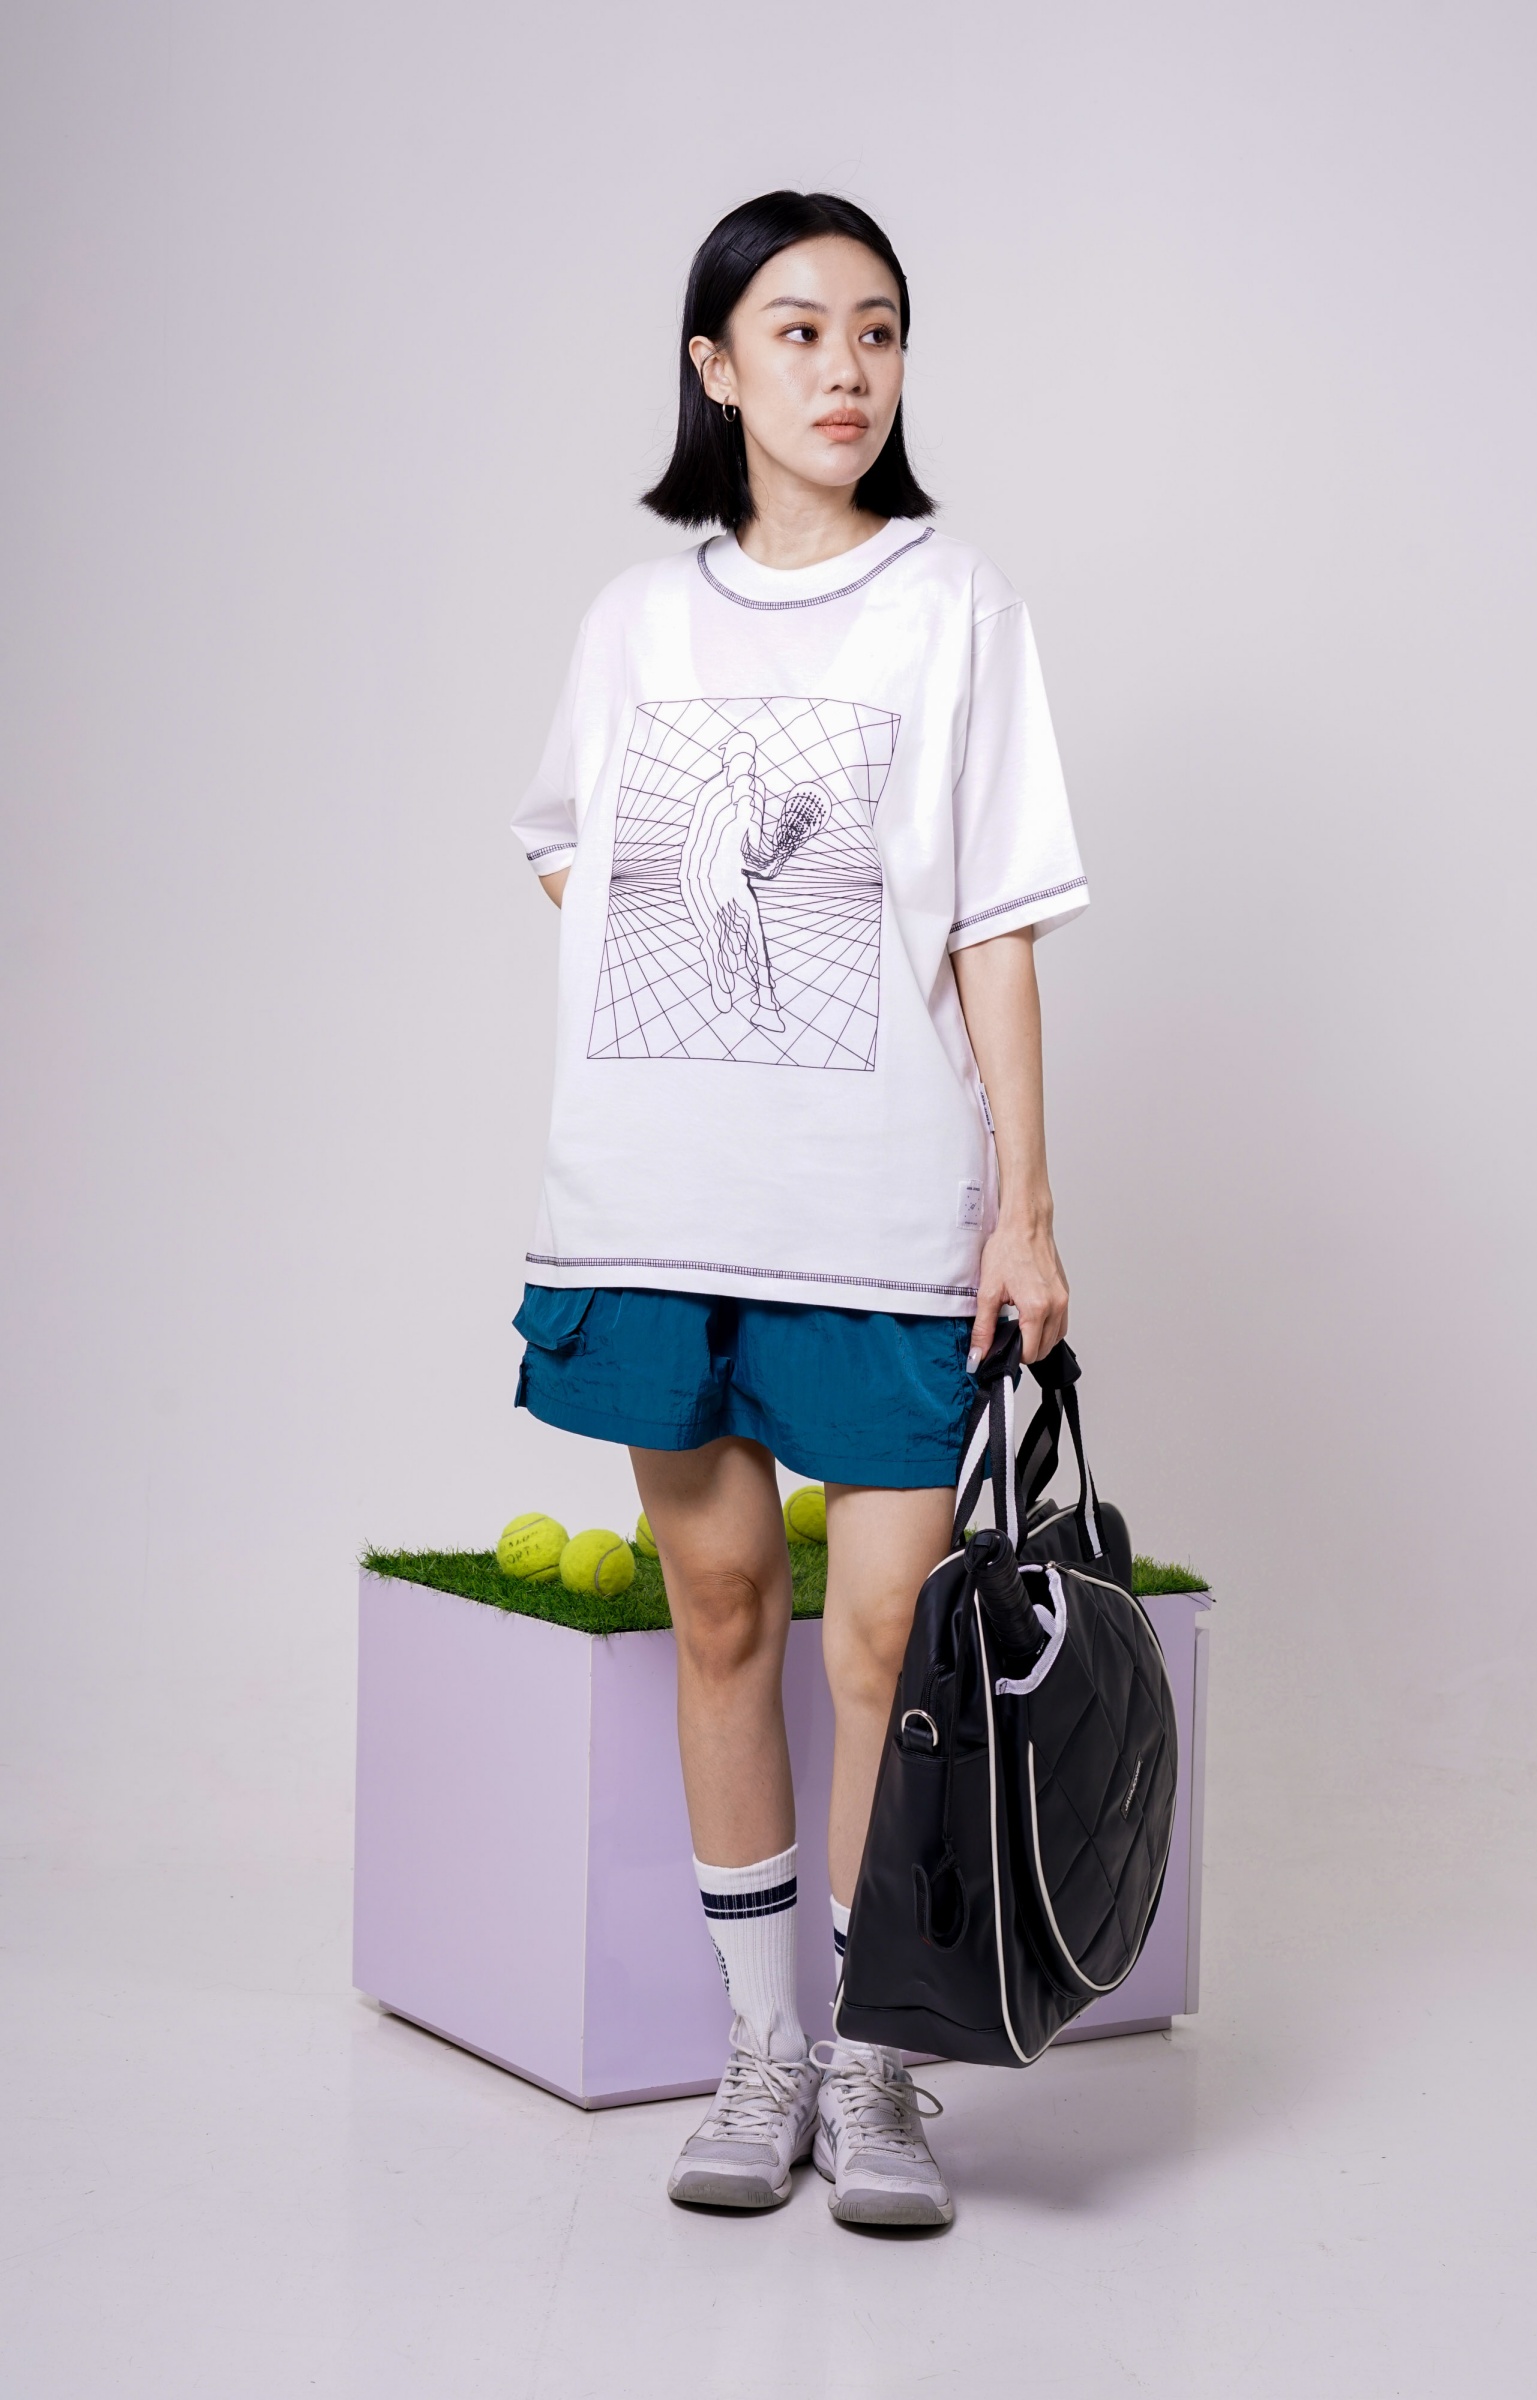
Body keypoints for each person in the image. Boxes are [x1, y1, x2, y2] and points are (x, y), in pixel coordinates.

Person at [510, 190, 1085, 2229]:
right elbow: (569, 846)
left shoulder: (958, 606)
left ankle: (874, 2069)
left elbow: (998, 924)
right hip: (657, 1210)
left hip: (881, 1219)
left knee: (887, 1644)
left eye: (879, 329)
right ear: (715, 365)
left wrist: (1025, 1209)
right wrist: (701, 1029)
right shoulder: (633, 619)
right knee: (723, 1612)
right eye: (799, 327)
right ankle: (763, 2055)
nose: (846, 368)